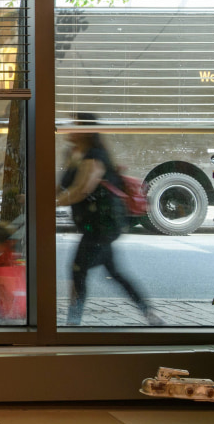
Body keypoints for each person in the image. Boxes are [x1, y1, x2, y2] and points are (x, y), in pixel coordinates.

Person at [56, 113, 154, 325]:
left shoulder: (95, 155)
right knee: (115, 272)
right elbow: (62, 187)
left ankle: (73, 323)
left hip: (102, 225)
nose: (69, 128)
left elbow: (82, 189)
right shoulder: (73, 153)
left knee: (78, 269)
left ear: (86, 130)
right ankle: (149, 312)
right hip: (93, 225)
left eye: (75, 125)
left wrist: (51, 204)